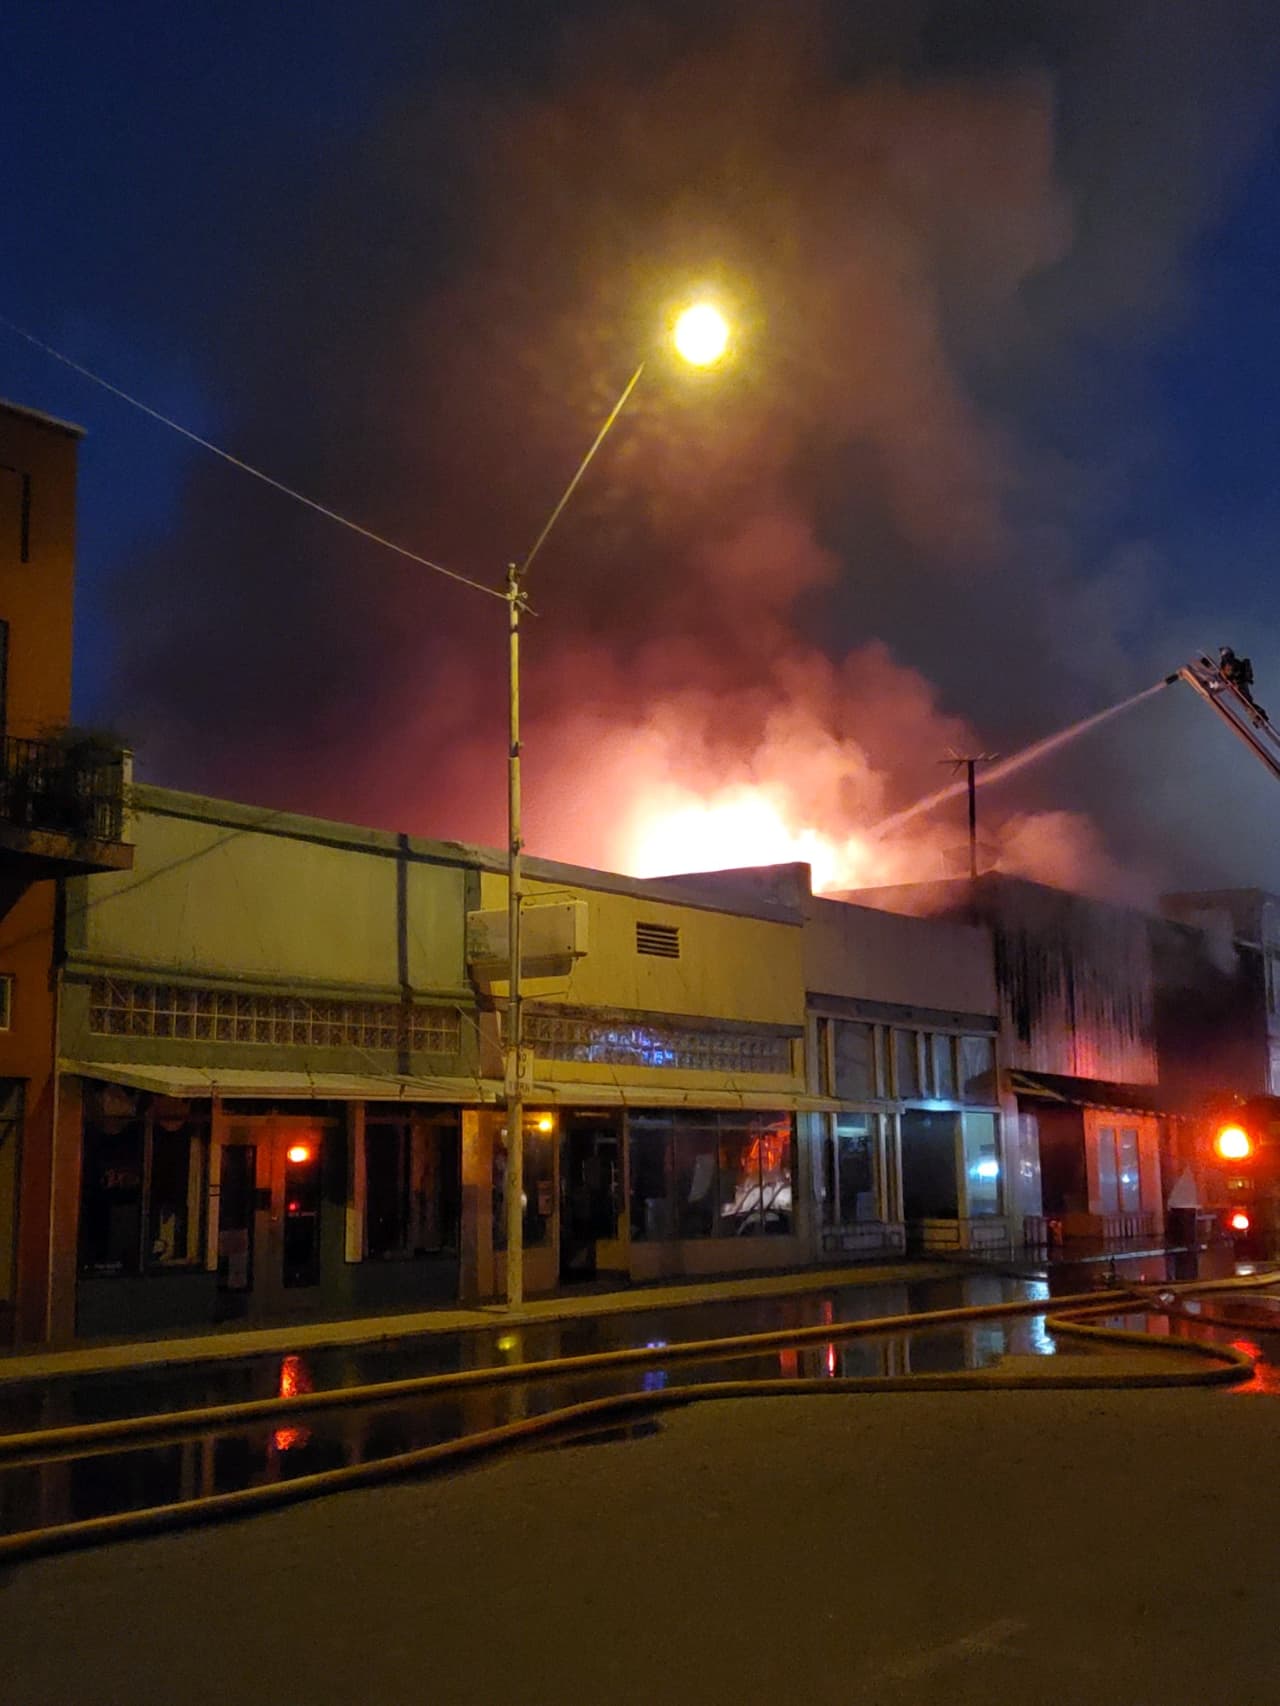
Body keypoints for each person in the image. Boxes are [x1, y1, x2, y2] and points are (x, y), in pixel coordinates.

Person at [1219, 646, 1267, 720]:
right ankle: (1257, 715)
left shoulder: (1228, 662)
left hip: (1238, 684)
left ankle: (1258, 715)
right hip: (1241, 683)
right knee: (1246, 701)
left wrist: (1227, 678)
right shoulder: (1234, 661)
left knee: (1245, 702)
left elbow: (1231, 672)